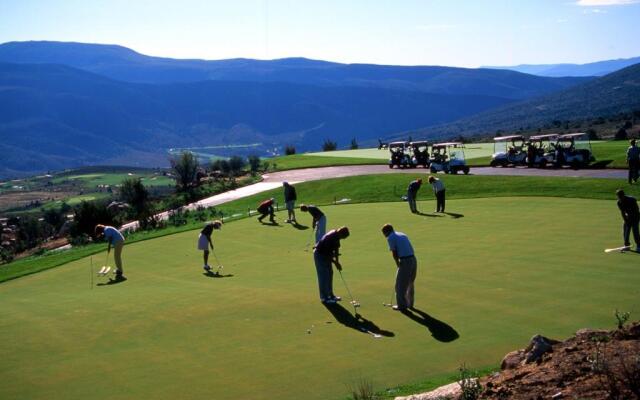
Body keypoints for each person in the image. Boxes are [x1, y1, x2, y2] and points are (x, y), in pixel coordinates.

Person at [381, 224, 417, 311]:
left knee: (400, 285)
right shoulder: (402, 234)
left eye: (384, 233)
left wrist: (398, 263)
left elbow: (394, 252)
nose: (384, 236)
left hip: (405, 261)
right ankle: (410, 304)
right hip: (413, 259)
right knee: (410, 282)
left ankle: (402, 306)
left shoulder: (390, 237)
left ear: (387, 232)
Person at [313, 227, 350, 304]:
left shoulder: (337, 236)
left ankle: (330, 295)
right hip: (320, 254)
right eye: (343, 237)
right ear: (341, 233)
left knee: (330, 273)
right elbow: (327, 254)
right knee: (323, 276)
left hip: (326, 255)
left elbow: (336, 249)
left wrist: (337, 261)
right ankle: (324, 298)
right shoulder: (331, 237)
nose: (342, 239)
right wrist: (335, 263)